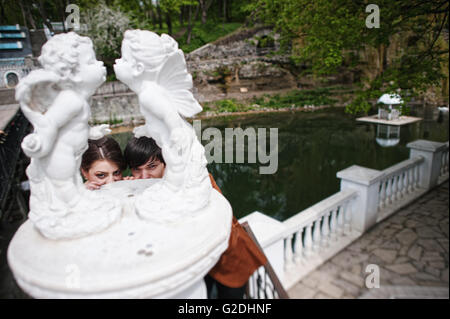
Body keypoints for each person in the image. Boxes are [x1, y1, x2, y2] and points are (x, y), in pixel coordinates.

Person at [124, 136, 267, 299]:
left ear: (166, 163)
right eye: (137, 169)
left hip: (230, 258)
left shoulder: (197, 182)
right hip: (202, 265)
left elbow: (216, 219)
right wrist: (128, 189)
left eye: (152, 166)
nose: (144, 176)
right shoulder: (150, 190)